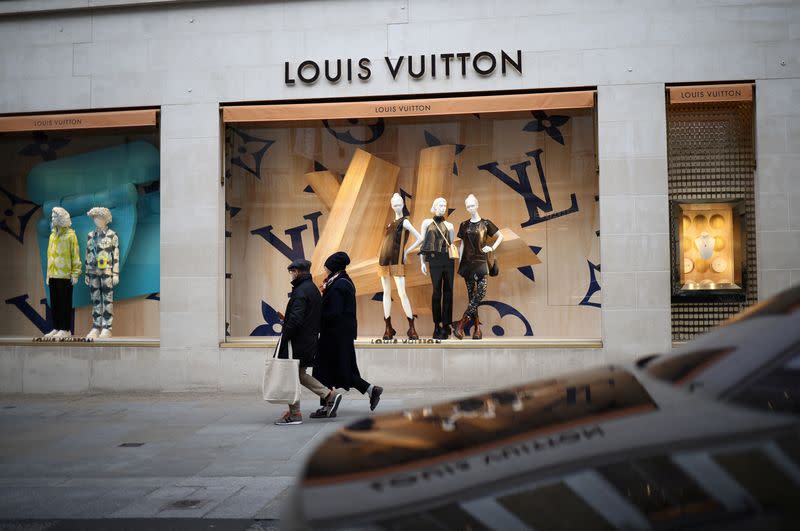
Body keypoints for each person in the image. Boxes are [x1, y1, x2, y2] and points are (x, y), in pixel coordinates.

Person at [313, 251, 383, 414]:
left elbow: (334, 312)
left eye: (327, 268)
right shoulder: (339, 281)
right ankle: (371, 390)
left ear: (334, 267)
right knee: (339, 369)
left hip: (335, 334)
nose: (326, 271)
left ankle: (327, 405)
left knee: (326, 369)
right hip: (338, 334)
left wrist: (317, 314)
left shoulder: (340, 284)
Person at [275, 258, 342, 426]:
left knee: (291, 374)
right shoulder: (311, 288)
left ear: (297, 272)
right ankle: (328, 395)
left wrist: (285, 337)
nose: (291, 275)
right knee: (299, 374)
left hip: (297, 342)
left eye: (292, 272)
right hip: (308, 340)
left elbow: (296, 320)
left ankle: (295, 413)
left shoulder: (300, 292)